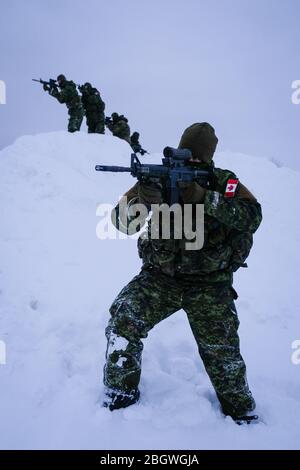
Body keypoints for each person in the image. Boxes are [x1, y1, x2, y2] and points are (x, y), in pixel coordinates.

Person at [103, 122, 262, 424]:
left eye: (197, 159)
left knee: (222, 355)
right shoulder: (157, 178)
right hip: (159, 278)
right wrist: (143, 197)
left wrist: (204, 197)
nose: (191, 164)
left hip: (209, 285)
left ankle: (243, 416)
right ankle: (119, 398)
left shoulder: (223, 182)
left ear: (208, 158)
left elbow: (252, 217)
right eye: (186, 157)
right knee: (123, 322)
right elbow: (122, 224)